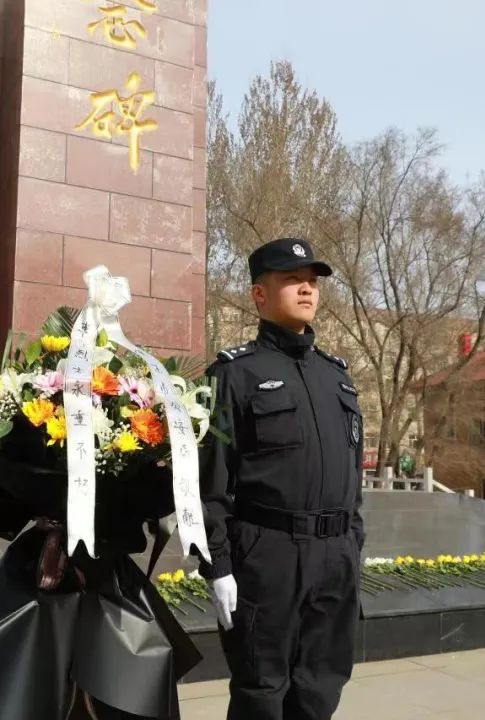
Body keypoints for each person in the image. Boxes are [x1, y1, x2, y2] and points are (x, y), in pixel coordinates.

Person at [199, 237, 365, 720]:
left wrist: (353, 545)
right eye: (292, 280)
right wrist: (217, 564)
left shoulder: (337, 377)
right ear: (259, 294)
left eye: (312, 281)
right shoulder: (233, 375)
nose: (307, 289)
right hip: (268, 555)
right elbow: (209, 482)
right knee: (262, 692)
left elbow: (353, 475)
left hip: (335, 556)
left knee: (320, 688)